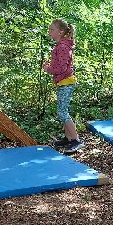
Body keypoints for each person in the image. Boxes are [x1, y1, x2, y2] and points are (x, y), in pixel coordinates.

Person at [42, 19, 83, 153]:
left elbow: (62, 68)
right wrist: (50, 66)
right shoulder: (61, 45)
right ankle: (68, 138)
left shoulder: (63, 47)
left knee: (62, 112)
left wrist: (48, 69)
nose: (49, 32)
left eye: (51, 30)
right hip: (63, 82)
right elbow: (59, 65)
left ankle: (76, 140)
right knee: (62, 111)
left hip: (66, 82)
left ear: (60, 32)